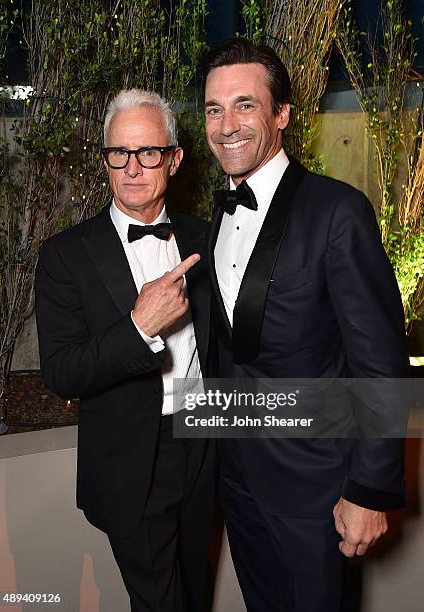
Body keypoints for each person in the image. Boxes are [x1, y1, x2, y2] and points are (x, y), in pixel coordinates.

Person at [203, 38, 409, 611]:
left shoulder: (338, 211)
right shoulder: (214, 214)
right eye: (214, 109)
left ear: (282, 115)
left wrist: (368, 489)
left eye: (245, 105)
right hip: (237, 479)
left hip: (318, 486)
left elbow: (380, 362)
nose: (227, 125)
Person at [35, 89, 215, 612]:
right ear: (106, 159)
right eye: (119, 153)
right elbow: (63, 372)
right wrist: (139, 328)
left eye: (148, 152)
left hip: (206, 438)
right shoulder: (66, 256)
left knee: (196, 585)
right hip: (134, 461)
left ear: (175, 159)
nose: (132, 167)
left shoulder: (205, 237)